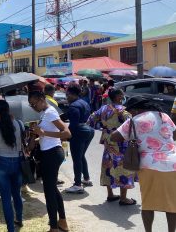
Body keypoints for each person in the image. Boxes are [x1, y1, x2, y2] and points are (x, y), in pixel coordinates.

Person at [111, 96, 176, 232]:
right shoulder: (164, 116)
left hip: (149, 166)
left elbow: (114, 137)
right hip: (172, 164)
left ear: (136, 109)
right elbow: (173, 135)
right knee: (172, 204)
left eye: (131, 111)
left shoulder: (135, 121)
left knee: (148, 203)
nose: (131, 114)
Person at [28, 91, 70, 232]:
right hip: (49, 153)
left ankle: (54, 227)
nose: (33, 107)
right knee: (52, 189)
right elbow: (46, 136)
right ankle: (62, 222)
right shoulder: (44, 113)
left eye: (34, 104)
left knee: (49, 191)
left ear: (41, 99)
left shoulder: (50, 112)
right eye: (31, 105)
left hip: (52, 154)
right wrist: (38, 135)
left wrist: (44, 133)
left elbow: (67, 133)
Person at [88, 88, 137, 205]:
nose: (123, 97)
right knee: (122, 168)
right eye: (122, 95)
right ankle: (123, 198)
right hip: (121, 142)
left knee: (108, 165)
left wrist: (104, 127)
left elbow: (91, 119)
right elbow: (132, 125)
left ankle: (110, 194)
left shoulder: (103, 108)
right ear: (118, 97)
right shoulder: (123, 111)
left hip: (108, 141)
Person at [0, 100, 24, 232]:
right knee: (17, 193)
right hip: (18, 161)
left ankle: (10, 228)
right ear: (8, 110)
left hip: (2, 163)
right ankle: (19, 219)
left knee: (6, 198)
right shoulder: (19, 124)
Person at [65, 83, 95, 194]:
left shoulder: (73, 106)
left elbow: (73, 124)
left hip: (79, 132)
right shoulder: (84, 102)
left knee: (76, 159)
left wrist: (67, 136)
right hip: (89, 130)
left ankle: (77, 184)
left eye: (67, 95)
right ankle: (86, 179)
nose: (66, 97)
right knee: (81, 155)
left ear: (71, 94)